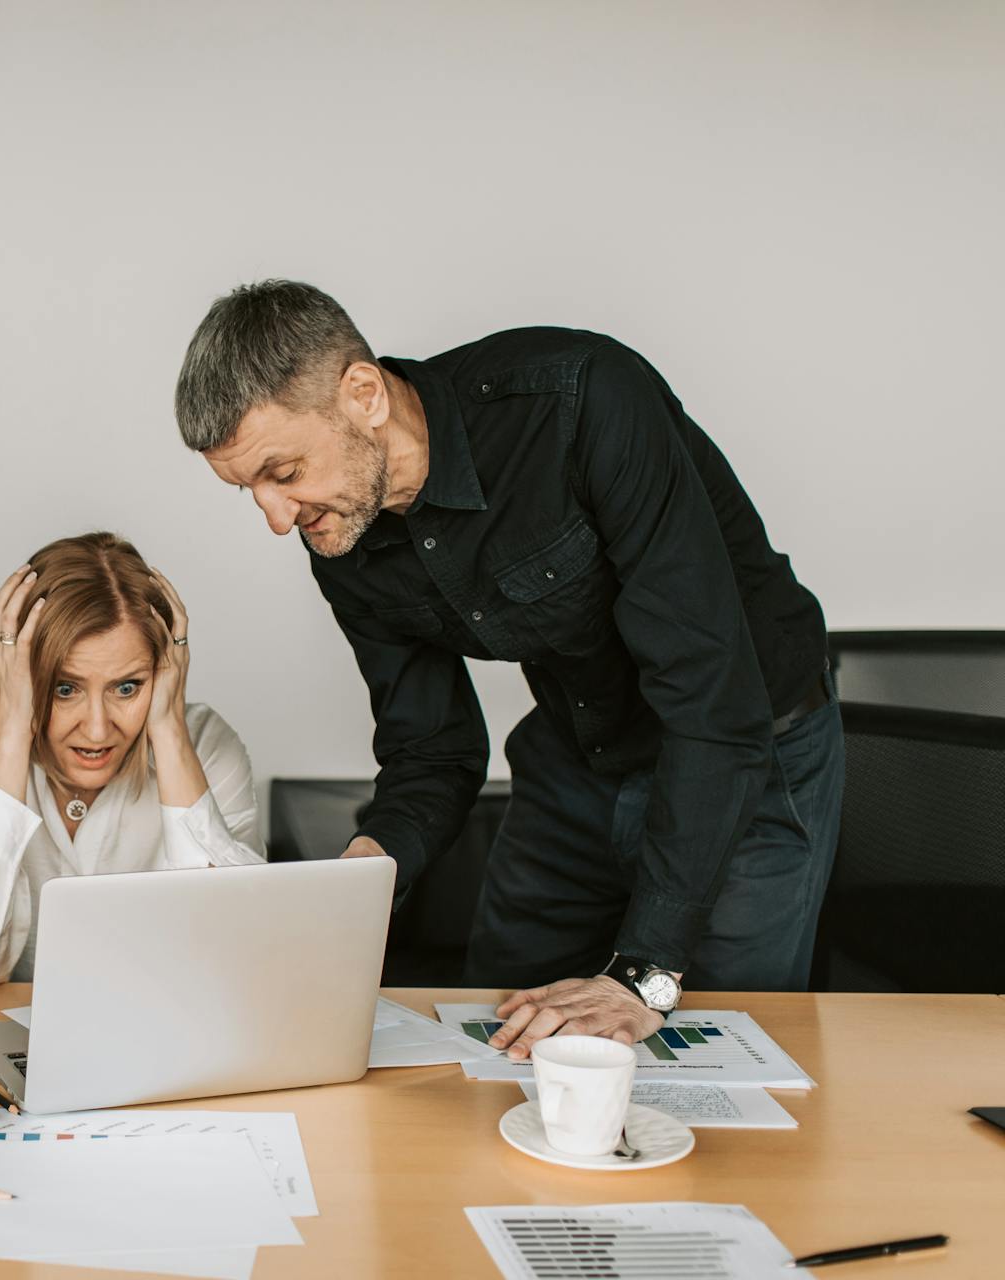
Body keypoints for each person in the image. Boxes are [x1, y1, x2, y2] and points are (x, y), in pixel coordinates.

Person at [173, 281, 842, 1059]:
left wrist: (643, 974)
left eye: (282, 472)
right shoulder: (341, 532)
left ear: (362, 394)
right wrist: (368, 870)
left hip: (748, 751)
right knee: (497, 1039)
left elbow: (711, 699)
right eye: (248, 490)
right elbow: (433, 747)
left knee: (722, 1052)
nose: (276, 516)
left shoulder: (582, 403)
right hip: (579, 751)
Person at [0, 533, 266, 999]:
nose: (99, 730)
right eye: (66, 689)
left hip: (158, 1038)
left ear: (165, 672)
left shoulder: (207, 747)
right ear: (21, 672)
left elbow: (234, 962)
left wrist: (167, 730)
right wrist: (10, 730)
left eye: (127, 687)